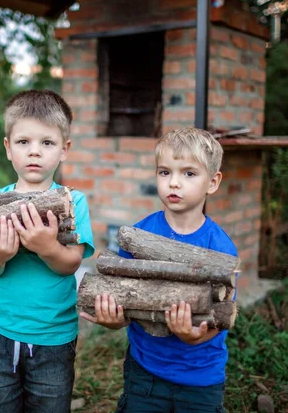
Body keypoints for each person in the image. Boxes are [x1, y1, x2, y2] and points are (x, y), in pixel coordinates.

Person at [80, 127, 237, 412]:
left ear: (212, 182)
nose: (174, 183)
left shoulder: (220, 249)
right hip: (145, 372)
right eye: (165, 172)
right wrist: (115, 319)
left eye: (189, 174)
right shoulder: (139, 236)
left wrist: (195, 335)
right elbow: (129, 300)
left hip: (200, 377)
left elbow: (222, 315)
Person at [0, 90, 95, 413]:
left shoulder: (72, 202)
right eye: (23, 142)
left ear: (64, 150)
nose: (34, 152)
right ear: (8, 148)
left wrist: (47, 248)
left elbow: (71, 264)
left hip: (53, 334)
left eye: (47, 143)